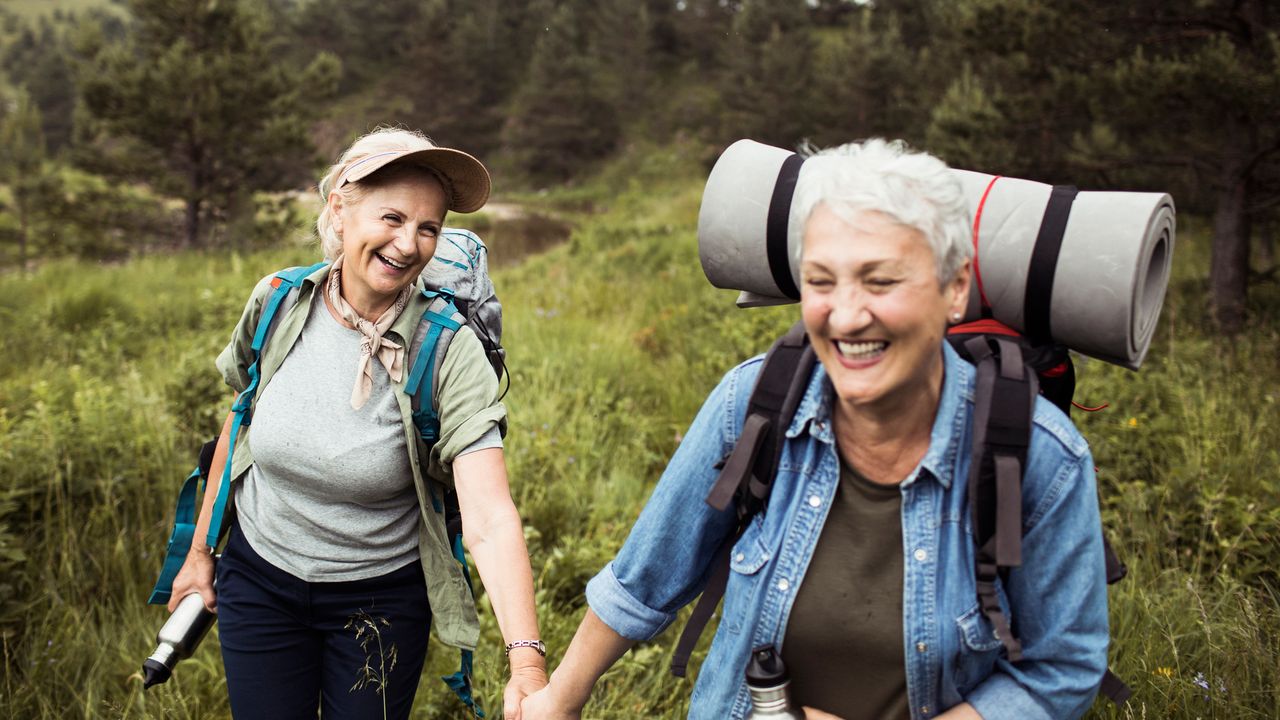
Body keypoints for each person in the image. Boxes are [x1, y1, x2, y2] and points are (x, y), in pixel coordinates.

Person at [521, 139, 1109, 720]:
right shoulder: (752, 404)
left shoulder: (1039, 457)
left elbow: (1062, 667)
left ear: (955, 287)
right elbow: (642, 580)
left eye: (880, 281)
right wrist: (557, 701)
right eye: (822, 282)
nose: (848, 316)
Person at [167, 128, 546, 719]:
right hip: (258, 580)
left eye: (428, 227)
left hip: (380, 605)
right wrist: (199, 553)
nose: (408, 243)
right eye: (391, 217)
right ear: (340, 210)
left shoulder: (448, 350)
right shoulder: (276, 302)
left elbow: (491, 519)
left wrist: (527, 662)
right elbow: (238, 423)